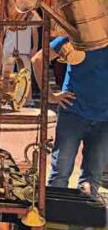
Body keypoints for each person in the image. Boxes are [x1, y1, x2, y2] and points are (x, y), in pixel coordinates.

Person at [35, 36, 108, 195]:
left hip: (102, 119)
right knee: (62, 172)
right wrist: (50, 95)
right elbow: (38, 59)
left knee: (91, 177)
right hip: (73, 113)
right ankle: (56, 213)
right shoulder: (76, 36)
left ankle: (83, 215)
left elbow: (38, 59)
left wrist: (50, 95)